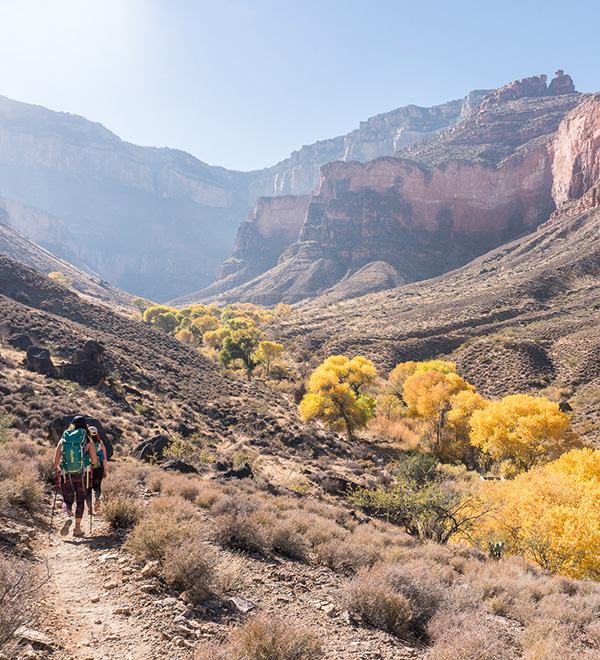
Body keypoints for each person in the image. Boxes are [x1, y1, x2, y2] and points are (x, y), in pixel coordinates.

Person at [53, 415, 97, 537]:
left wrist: (59, 469)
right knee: (80, 500)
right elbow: (94, 461)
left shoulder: (64, 438)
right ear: (85, 426)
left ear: (72, 425)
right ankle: (77, 528)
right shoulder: (88, 440)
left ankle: (67, 517)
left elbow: (56, 460)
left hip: (66, 474)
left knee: (67, 499)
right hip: (83, 475)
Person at [86, 426, 108, 512]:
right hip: (99, 468)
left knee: (88, 488)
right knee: (97, 486)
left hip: (88, 468)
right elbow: (104, 459)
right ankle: (97, 499)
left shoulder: (87, 444)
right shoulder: (101, 444)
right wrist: (104, 470)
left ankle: (89, 508)